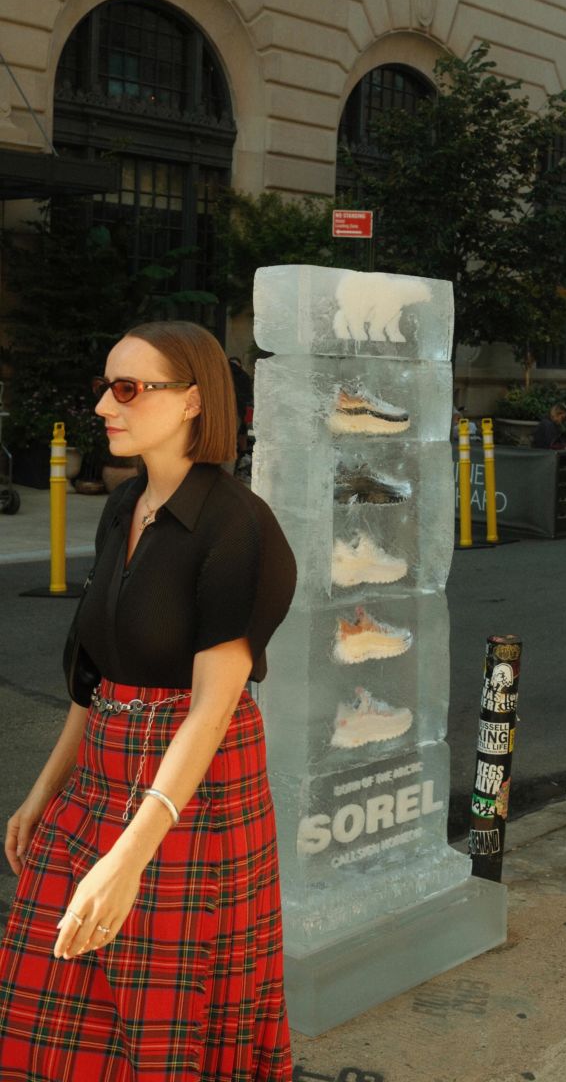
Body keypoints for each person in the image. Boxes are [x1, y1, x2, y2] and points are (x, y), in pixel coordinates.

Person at [0, 320, 297, 1081]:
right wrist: (43, 791)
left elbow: (211, 708)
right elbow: (97, 672)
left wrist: (130, 857)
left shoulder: (238, 526)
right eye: (106, 386)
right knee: (47, 989)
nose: (105, 405)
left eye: (128, 389)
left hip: (193, 790)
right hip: (99, 771)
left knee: (169, 1010)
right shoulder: (123, 505)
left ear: (193, 400)